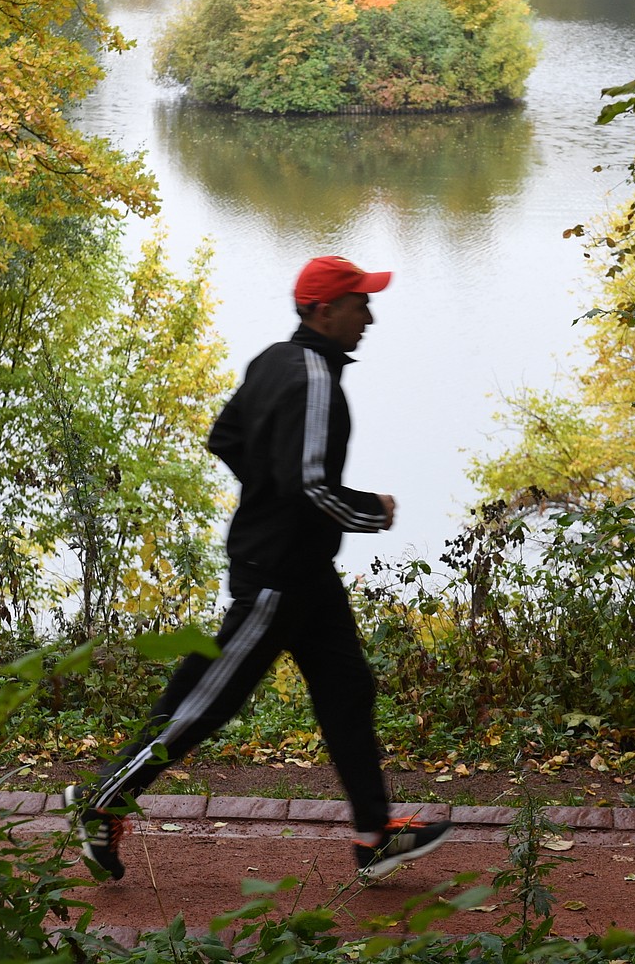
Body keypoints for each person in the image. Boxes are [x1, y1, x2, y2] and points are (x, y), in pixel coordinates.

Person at [66, 255, 453, 881]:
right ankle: (102, 805)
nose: (371, 316)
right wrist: (372, 511)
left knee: (347, 691)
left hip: (305, 574)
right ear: (325, 311)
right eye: (361, 303)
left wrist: (272, 494)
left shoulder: (272, 360)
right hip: (278, 574)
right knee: (203, 702)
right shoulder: (314, 380)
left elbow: (225, 438)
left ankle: (373, 834)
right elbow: (313, 489)